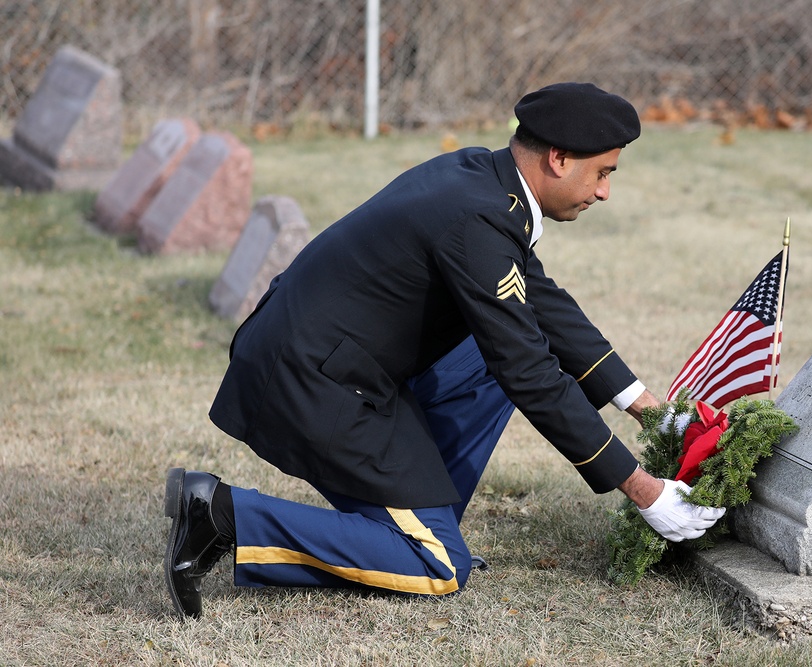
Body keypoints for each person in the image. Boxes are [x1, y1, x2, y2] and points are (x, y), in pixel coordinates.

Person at [163, 82, 724, 619]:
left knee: (493, 353)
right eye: (602, 172)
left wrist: (655, 414)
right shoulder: (477, 219)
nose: (604, 191)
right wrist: (644, 490)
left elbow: (545, 309)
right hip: (310, 383)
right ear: (558, 158)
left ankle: (420, 523)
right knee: (440, 566)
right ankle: (221, 514)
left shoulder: (484, 178)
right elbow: (529, 370)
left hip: (335, 363)